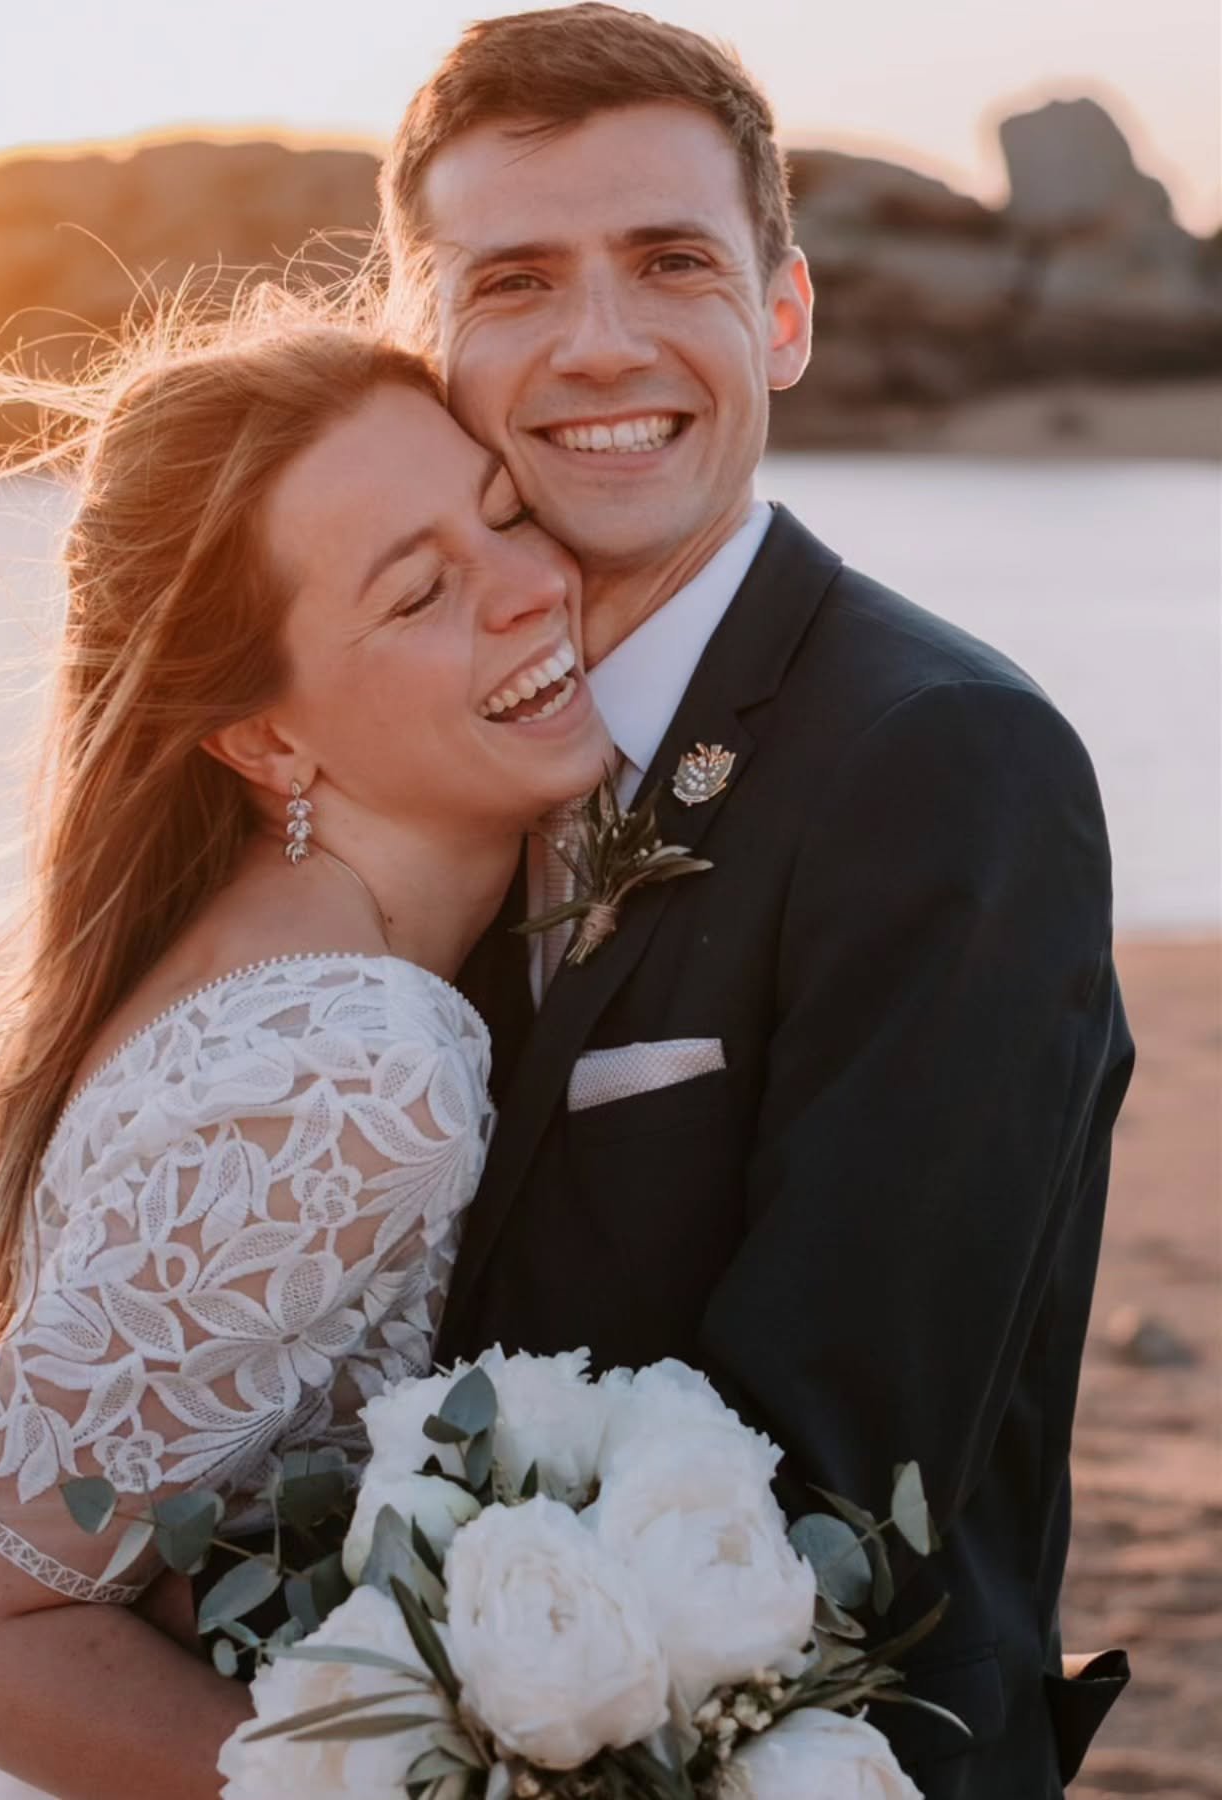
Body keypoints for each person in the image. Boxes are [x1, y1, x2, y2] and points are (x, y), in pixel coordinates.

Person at [381, 8, 1134, 1795]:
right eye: (514, 282)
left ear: (782, 315)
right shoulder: (417, 747)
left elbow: (834, 1474)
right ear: (419, 340)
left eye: (671, 264)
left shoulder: (948, 765)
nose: (601, 343)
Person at [0, 308, 612, 1799]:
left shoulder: (261, 952)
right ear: (263, 741)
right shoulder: (355, 1060)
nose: (530, 588)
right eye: (421, 592)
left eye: (504, 514)